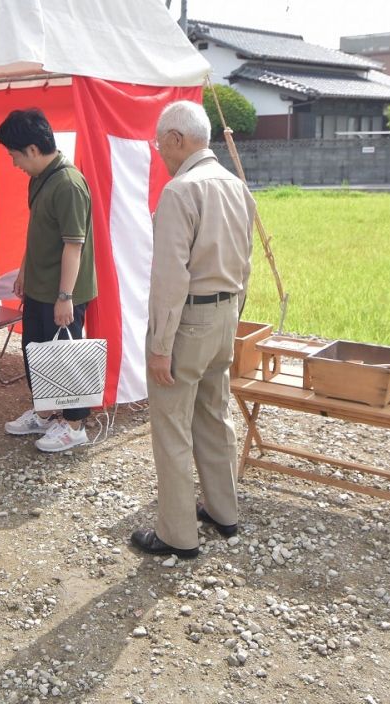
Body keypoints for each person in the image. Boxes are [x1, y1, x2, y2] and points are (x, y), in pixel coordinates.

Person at [129, 101, 256, 560]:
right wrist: (235, 315)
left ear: (177, 140)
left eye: (160, 143)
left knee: (172, 426)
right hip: (225, 315)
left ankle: (178, 534)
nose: (159, 151)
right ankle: (224, 511)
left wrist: (160, 346)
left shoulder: (180, 191)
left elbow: (169, 279)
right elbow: (246, 263)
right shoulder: (235, 186)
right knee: (213, 414)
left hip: (188, 320)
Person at [0, 108, 97, 453]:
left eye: (14, 155)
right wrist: (25, 270)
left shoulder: (68, 183)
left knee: (65, 355)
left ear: (33, 150)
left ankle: (74, 425)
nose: (14, 163)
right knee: (36, 353)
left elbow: (74, 244)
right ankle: (46, 412)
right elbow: (37, 231)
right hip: (40, 286)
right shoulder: (40, 179)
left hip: (62, 290)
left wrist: (65, 296)